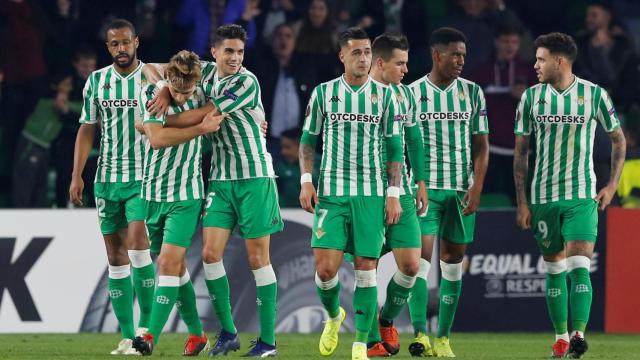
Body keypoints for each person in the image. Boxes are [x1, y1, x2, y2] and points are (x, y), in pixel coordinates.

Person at [513, 32, 626, 359]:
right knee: (553, 269)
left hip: (581, 195)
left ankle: (577, 334)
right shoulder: (531, 98)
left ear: (559, 61)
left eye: (541, 59)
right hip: (544, 197)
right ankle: (561, 337)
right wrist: (522, 201)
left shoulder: (594, 95)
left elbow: (619, 140)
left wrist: (612, 185)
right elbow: (521, 154)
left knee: (579, 263)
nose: (535, 64)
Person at [299, 27, 404, 360]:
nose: (363, 58)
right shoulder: (323, 93)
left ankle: (361, 344)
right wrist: (305, 180)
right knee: (326, 270)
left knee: (365, 268)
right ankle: (333, 316)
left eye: (367, 52)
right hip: (331, 193)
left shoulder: (386, 96)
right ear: (342, 56)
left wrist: (393, 193)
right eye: (356, 52)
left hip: (371, 195)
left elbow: (394, 148)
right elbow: (307, 141)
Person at [69, 19, 155, 356]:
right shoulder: (97, 81)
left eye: (125, 43)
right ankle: (127, 334)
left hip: (143, 177)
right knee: (115, 259)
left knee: (137, 248)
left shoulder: (152, 78)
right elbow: (88, 128)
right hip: (107, 179)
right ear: (109, 48)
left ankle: (146, 332)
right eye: (114, 44)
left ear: (136, 42)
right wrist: (77, 174)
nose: (121, 49)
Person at [131, 50, 226, 356]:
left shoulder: (203, 92)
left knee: (167, 263)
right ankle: (198, 335)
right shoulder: (153, 92)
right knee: (177, 268)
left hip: (186, 195)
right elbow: (156, 139)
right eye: (176, 91)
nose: (182, 98)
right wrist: (198, 127)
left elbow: (230, 67)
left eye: (187, 92)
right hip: (152, 193)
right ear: (169, 80)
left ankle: (148, 336)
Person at [200, 24, 282, 357]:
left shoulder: (246, 81)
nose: (235, 57)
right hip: (221, 180)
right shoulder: (205, 75)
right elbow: (161, 68)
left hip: (254, 179)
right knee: (208, 255)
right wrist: (163, 88)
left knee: (258, 259)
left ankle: (268, 342)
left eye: (240, 52)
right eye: (229, 51)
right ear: (214, 51)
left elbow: (208, 114)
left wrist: (168, 121)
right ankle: (229, 333)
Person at [408, 27, 489, 357]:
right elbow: (399, 145)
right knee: (418, 262)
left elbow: (482, 146)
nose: (460, 61)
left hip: (460, 190)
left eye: (464, 56)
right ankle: (419, 335)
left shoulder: (472, 92)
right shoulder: (411, 93)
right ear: (436, 54)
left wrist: (478, 185)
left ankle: (442, 337)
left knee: (453, 262)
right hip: (424, 191)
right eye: (455, 54)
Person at [363, 32, 428, 358]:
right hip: (365, 193)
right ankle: (374, 338)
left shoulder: (406, 96)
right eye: (400, 63)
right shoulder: (358, 94)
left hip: (401, 191)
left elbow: (414, 141)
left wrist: (422, 182)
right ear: (380, 62)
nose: (405, 69)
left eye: (406, 63)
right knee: (367, 266)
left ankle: (387, 317)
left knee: (411, 266)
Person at [470, 23, 536, 202]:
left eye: (515, 41)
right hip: (488, 149)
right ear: (496, 42)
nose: (510, 46)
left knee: (519, 204)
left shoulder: (530, 73)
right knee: (482, 201)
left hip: (520, 150)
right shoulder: (481, 72)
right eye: (506, 41)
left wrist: (526, 97)